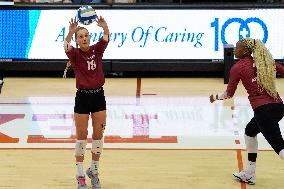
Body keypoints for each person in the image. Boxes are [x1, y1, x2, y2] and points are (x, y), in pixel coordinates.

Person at [210, 37, 284, 185]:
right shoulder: (266, 62)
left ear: (245, 50)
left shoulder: (238, 67)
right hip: (278, 107)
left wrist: (215, 97)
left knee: (280, 148)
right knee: (250, 132)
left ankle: (250, 173)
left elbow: (229, 94)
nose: (234, 50)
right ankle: (249, 172)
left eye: (237, 47)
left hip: (264, 111)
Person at [64, 16, 109, 189]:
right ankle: (80, 174)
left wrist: (105, 28)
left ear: (89, 38)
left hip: (98, 96)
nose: (84, 38)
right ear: (77, 40)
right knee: (81, 138)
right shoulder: (75, 54)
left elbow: (105, 39)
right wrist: (70, 32)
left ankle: (94, 171)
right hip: (82, 97)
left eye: (86, 36)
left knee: (98, 136)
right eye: (80, 36)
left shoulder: (97, 50)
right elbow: (66, 46)